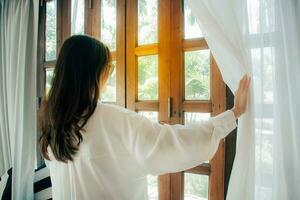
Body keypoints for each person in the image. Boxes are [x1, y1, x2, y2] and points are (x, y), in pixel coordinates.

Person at [39, 35, 251, 200]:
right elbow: (175, 143)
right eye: (108, 68)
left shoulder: (52, 123)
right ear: (94, 73)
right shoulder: (114, 120)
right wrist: (233, 114)